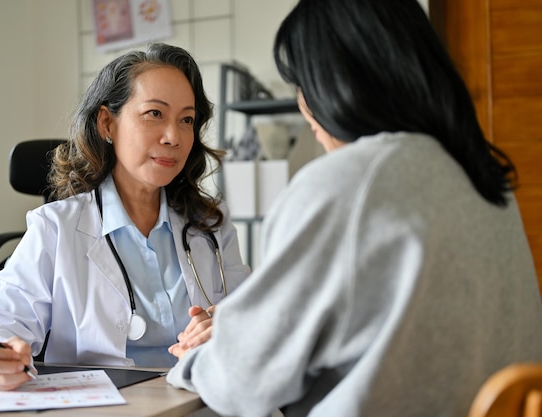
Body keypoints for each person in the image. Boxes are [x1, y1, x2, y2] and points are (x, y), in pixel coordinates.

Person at [166, 0, 542, 416]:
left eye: (302, 83)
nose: (302, 105)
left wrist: (195, 359)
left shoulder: (351, 182)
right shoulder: (486, 178)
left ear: (335, 82)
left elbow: (242, 384)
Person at [0, 43, 250, 391]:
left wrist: (227, 326)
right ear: (108, 123)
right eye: (155, 113)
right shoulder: (56, 229)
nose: (174, 136)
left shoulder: (211, 225)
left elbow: (254, 318)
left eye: (186, 119)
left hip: (199, 401)